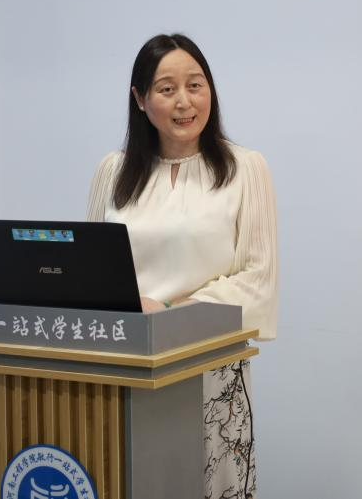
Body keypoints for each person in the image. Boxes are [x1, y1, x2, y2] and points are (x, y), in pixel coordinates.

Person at [86, 33, 278, 499]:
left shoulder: (245, 168)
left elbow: (258, 281)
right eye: (166, 88)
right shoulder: (112, 171)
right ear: (140, 99)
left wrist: (170, 311)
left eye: (195, 85)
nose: (184, 102)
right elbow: (90, 271)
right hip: (126, 365)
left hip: (208, 370)